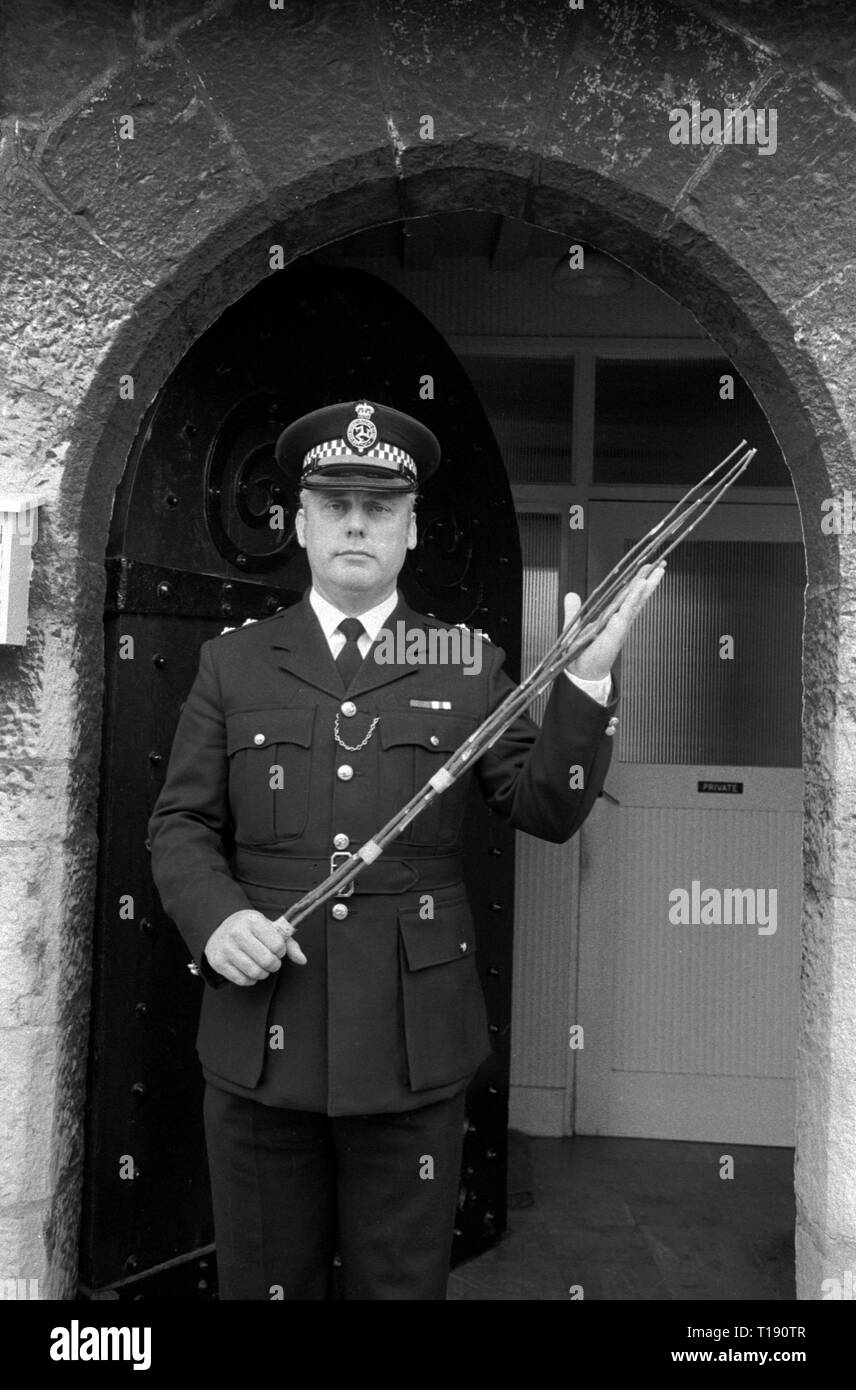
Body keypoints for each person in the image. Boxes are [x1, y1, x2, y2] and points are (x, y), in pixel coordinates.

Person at [147, 398, 664, 1300]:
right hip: (262, 1035)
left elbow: (547, 807)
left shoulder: (465, 661)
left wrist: (586, 678)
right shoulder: (235, 663)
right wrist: (218, 919)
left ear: (412, 527)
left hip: (410, 1046)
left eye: (380, 506)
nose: (357, 523)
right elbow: (181, 825)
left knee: (401, 1289)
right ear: (299, 521)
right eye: (335, 504)